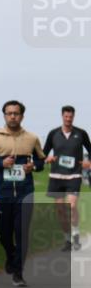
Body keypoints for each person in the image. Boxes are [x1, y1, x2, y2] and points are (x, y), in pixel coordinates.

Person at [0, 101, 46, 286]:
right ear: (4, 116)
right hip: (4, 194)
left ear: (22, 116)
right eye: (9, 113)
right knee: (4, 234)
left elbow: (42, 161)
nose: (13, 116)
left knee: (22, 233)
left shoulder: (32, 138)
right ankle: (11, 255)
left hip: (25, 193)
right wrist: (1, 164)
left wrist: (34, 166)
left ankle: (18, 274)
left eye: (16, 113)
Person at [43, 105, 91, 251]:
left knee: (72, 206)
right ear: (62, 116)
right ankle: (67, 240)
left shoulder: (81, 133)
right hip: (56, 176)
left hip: (74, 175)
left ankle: (76, 236)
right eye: (66, 116)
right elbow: (43, 153)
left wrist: (89, 163)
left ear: (73, 117)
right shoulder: (53, 134)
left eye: (71, 117)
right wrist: (48, 158)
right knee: (60, 210)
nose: (68, 119)